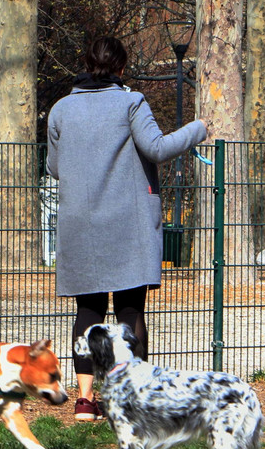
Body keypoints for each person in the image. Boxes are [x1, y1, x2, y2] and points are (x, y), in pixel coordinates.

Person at [46, 36, 206, 421]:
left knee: (88, 310)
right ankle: (131, 400)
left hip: (80, 224)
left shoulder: (60, 109)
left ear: (87, 63)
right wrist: (198, 128)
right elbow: (157, 149)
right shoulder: (131, 101)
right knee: (130, 310)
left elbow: (53, 168)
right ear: (121, 67)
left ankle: (85, 401)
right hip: (127, 222)